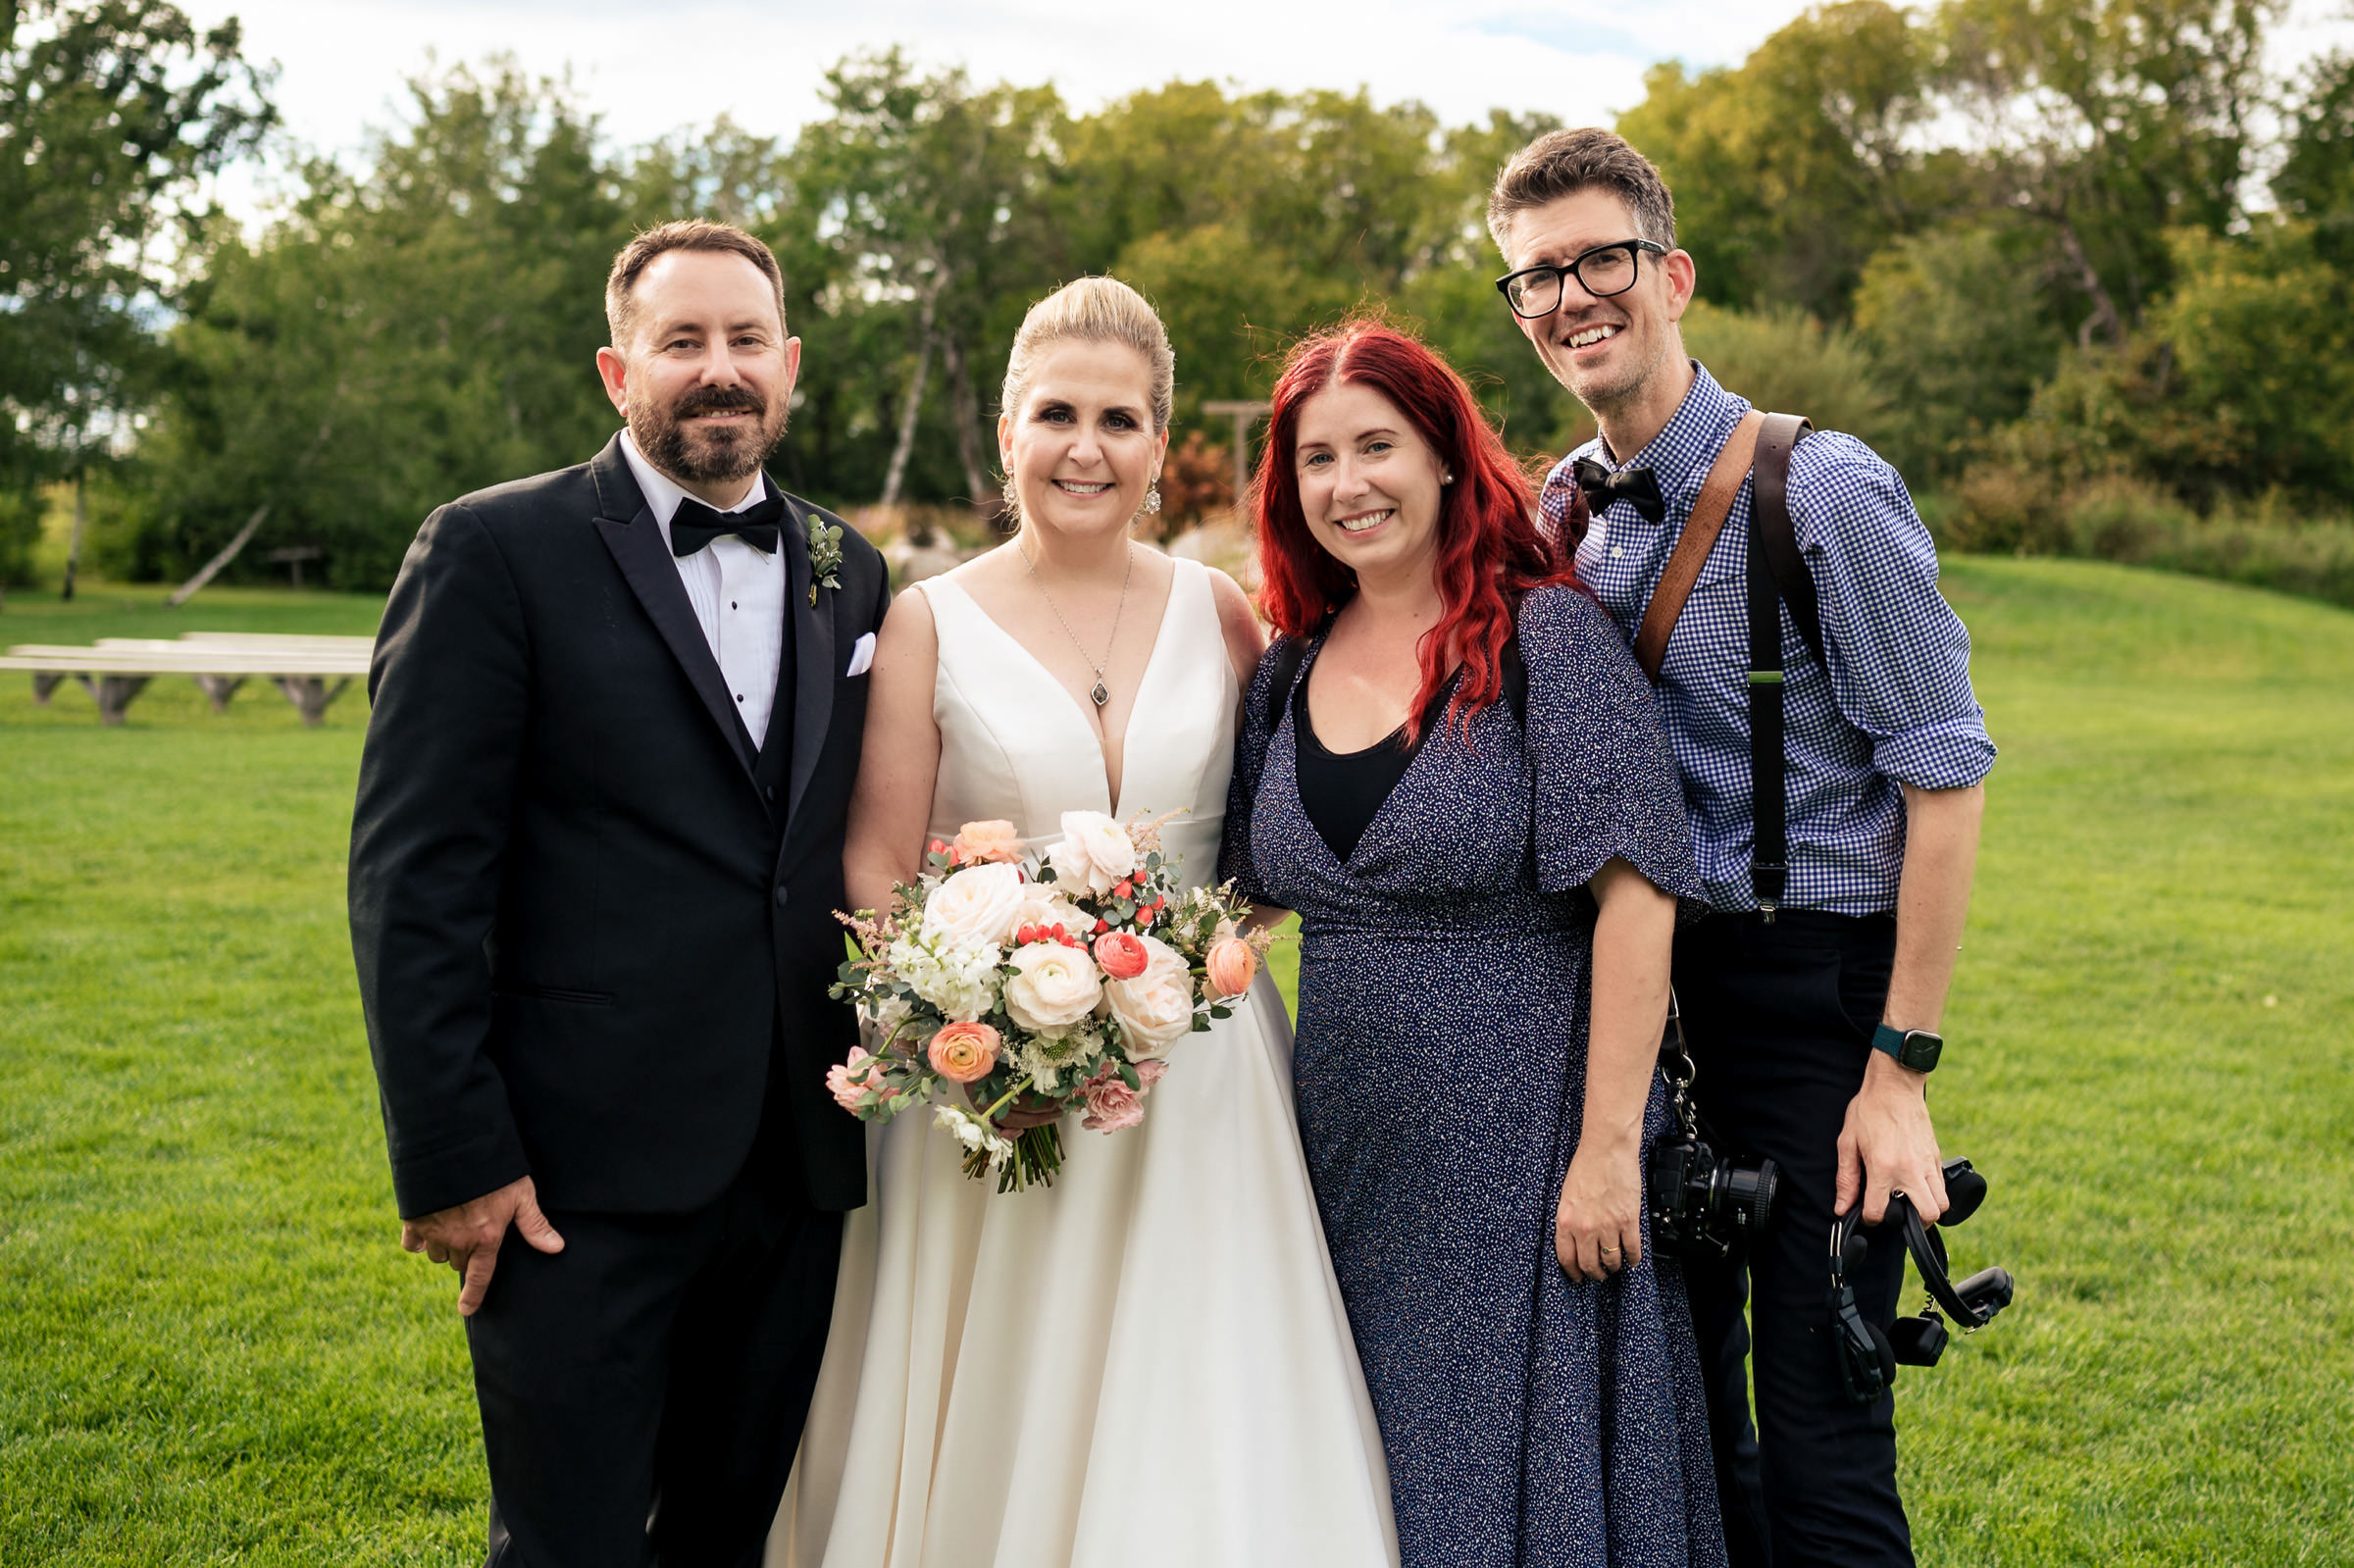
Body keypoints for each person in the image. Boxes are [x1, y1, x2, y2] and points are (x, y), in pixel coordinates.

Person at [775, 277, 1398, 1567]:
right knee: (1012, 1381)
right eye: (1056, 412)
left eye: (1120, 420)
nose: (1085, 446)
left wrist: (1195, 957)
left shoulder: (1223, 612)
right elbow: (880, 869)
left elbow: (1261, 853)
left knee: (1205, 1384)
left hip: (1210, 1078)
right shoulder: (924, 623)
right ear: (1007, 433)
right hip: (998, 1082)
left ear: (1162, 449)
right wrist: (980, 1022)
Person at [1487, 128, 1996, 1568]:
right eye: (1536, 278)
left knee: (1826, 1447)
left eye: (1601, 260)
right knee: (1695, 1439)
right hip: (1636, 1009)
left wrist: (1898, 1071)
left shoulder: (1822, 490)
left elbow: (1945, 779)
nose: (1573, 296)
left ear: (1673, 273)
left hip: (1809, 1004)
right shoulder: (1557, 513)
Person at [348, 219, 890, 1568]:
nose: (720, 370)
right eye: (682, 342)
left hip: (794, 1167)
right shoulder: (493, 549)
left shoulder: (847, 565)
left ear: (791, 363)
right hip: (570, 1174)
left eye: (746, 341)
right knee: (570, 1542)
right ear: (616, 369)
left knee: (731, 1533)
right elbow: (414, 878)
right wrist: (455, 1153)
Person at [1219, 319, 1725, 1568]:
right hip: (1340, 1148)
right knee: (1362, 1468)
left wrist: (1609, 1153)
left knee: (1518, 1485)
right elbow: (1241, 913)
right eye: (1317, 459)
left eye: (1378, 445)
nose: (1350, 485)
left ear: (1446, 455)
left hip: (1530, 1143)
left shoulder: (1540, 637)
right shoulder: (1286, 671)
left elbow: (1640, 896)